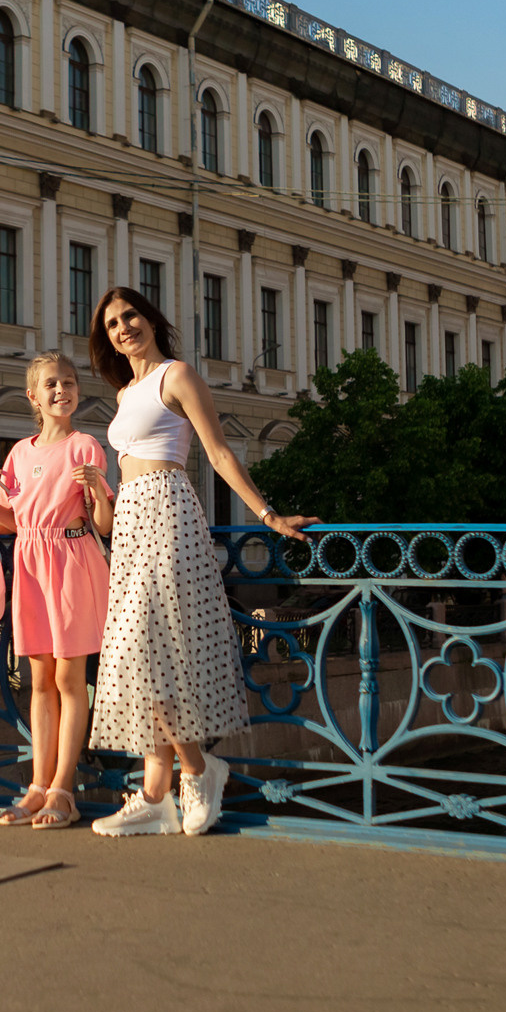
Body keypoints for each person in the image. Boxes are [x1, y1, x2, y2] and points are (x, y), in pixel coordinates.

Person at [84, 286, 317, 838]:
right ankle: (157, 793)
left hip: (168, 512)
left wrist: (268, 515)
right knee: (142, 653)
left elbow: (217, 452)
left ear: (150, 319)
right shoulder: (124, 394)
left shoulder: (176, 375)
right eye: (113, 324)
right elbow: (120, 488)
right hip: (132, 522)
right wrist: (102, 498)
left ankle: (197, 770)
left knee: (151, 648)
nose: (123, 328)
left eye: (131, 316)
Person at [0, 352, 112, 830]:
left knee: (71, 682)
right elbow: (18, 521)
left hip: (71, 564)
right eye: (50, 384)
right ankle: (37, 787)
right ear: (33, 396)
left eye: (68, 383)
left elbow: (103, 524)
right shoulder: (18, 453)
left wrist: (94, 489)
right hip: (31, 565)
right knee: (38, 682)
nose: (61, 391)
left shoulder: (85, 445)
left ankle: (63, 791)